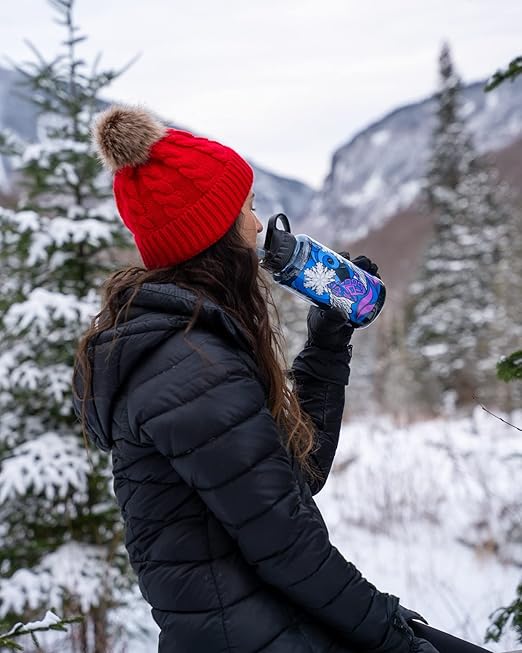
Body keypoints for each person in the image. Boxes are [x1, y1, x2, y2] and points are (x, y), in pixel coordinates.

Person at [70, 105, 479, 653]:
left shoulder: (192, 345)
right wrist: (395, 637)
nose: (258, 225)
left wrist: (328, 347)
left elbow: (295, 478)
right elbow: (290, 547)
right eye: (247, 209)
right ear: (213, 234)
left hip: (268, 622)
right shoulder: (190, 368)